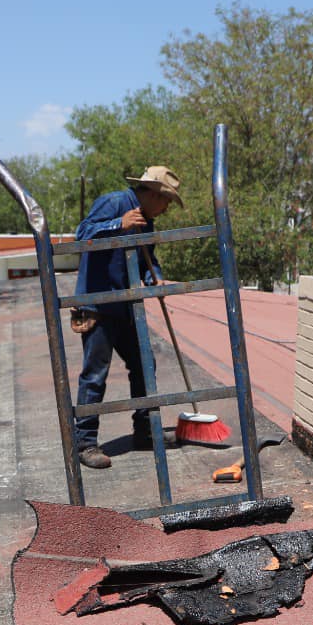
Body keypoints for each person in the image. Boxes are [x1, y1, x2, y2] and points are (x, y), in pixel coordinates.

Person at [70, 166, 183, 469]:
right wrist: (117, 224)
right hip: (100, 304)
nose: (167, 207)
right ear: (151, 193)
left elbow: (148, 261)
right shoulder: (115, 203)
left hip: (128, 305)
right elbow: (81, 234)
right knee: (95, 374)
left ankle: (145, 431)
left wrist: (155, 278)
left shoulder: (147, 223)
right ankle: (84, 443)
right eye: (166, 200)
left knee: (145, 365)